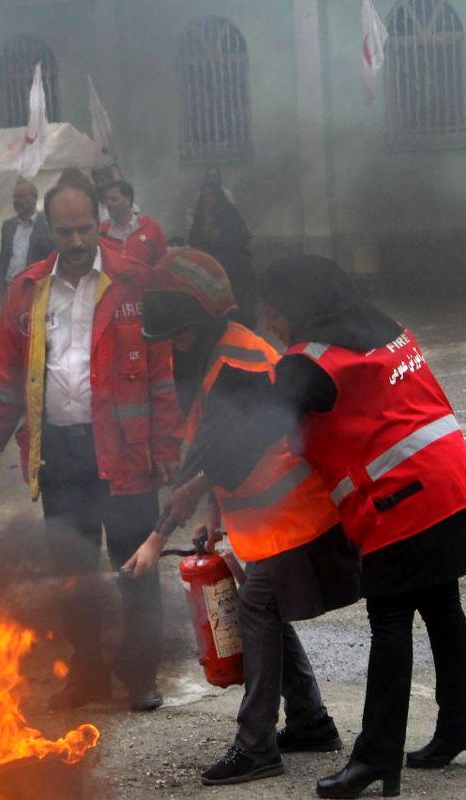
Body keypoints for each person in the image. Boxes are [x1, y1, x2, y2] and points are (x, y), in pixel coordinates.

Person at [154, 255, 466, 799]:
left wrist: (193, 486)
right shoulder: (377, 323)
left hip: (401, 501)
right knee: (442, 609)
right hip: (452, 479)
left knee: (390, 625)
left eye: (276, 317)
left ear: (296, 306)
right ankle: (462, 727)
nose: (273, 330)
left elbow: (252, 440)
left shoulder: (308, 361)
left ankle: (375, 760)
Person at [123, 249, 359, 787]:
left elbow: (217, 458)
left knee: (255, 612)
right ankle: (311, 721)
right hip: (270, 516)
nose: (174, 349)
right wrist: (215, 514)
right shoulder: (222, 356)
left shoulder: (239, 364)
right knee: (266, 610)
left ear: (200, 323)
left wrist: (157, 539)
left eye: (179, 335)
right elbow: (214, 452)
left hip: (293, 513)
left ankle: (256, 747)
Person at [0, 181, 184, 712]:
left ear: (99, 222)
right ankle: (86, 673)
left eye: (86, 228)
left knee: (136, 569)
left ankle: (140, 676)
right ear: (50, 230)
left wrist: (167, 449)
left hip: (127, 455)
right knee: (73, 573)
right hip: (58, 456)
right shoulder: (25, 293)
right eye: (65, 231)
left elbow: (161, 376)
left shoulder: (133, 280)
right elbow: (4, 384)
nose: (78, 240)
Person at [188, 182, 255, 314]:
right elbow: (193, 239)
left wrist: (220, 236)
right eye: (205, 196)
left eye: (211, 195)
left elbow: (240, 236)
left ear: (218, 196)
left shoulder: (229, 211)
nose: (208, 199)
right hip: (207, 261)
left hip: (232, 260)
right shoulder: (199, 214)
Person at [0, 178, 52, 304]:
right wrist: (0, 287)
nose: (17, 201)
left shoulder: (47, 226)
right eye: (15, 197)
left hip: (33, 291)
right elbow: (3, 260)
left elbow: (52, 260)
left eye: (21, 197)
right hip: (9, 290)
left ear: (34, 198)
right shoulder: (8, 226)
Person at [100, 180, 167, 267]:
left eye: (114, 199)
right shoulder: (100, 232)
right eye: (107, 199)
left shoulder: (152, 228)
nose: (109, 203)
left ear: (128, 200)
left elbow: (163, 264)